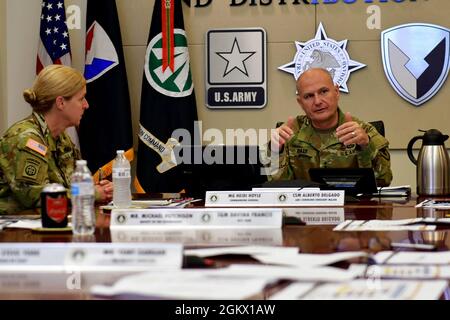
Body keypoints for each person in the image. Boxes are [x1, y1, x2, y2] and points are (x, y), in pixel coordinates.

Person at [0, 65, 113, 214]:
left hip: (52, 223)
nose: (86, 105)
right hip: (16, 230)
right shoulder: (26, 139)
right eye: (81, 99)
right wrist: (92, 193)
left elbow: (73, 185)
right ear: (60, 103)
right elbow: (35, 197)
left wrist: (99, 188)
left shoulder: (60, 137)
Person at [268, 67, 392, 187]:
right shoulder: (289, 133)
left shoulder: (363, 131)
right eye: (309, 96)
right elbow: (275, 184)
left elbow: (384, 180)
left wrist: (366, 146)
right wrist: (276, 151)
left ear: (336, 92)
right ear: (300, 102)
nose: (317, 101)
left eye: (323, 91)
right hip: (305, 206)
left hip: (351, 206)